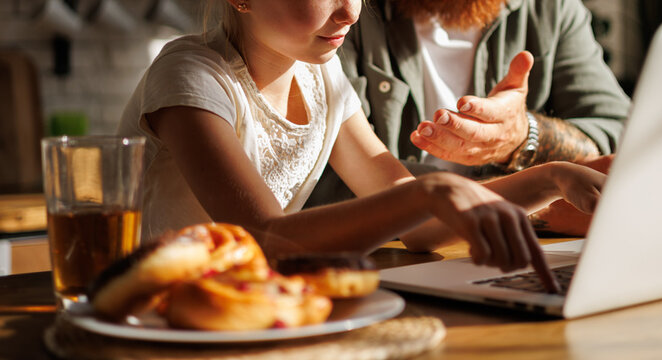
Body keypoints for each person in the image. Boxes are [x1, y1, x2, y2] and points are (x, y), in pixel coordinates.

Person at [115, 0, 606, 289]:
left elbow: (423, 227)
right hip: (159, 311)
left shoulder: (320, 74)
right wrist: (426, 192)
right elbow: (268, 240)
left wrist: (553, 178)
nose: (350, 10)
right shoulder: (191, 78)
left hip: (253, 306)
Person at [307, 0, 631, 235]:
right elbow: (326, 178)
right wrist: (533, 199)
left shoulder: (551, 10)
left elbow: (622, 136)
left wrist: (523, 138)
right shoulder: (338, 15)